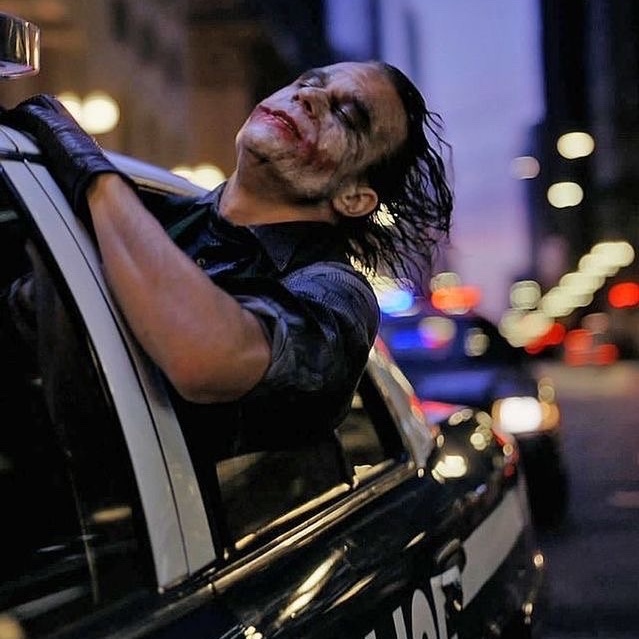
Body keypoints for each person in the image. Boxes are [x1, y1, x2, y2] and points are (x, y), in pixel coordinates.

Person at [1, 60, 453, 453]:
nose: (309, 97)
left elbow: (206, 354)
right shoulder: (152, 213)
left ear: (354, 197)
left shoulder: (334, 294)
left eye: (347, 114)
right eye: (308, 82)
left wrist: (87, 168)